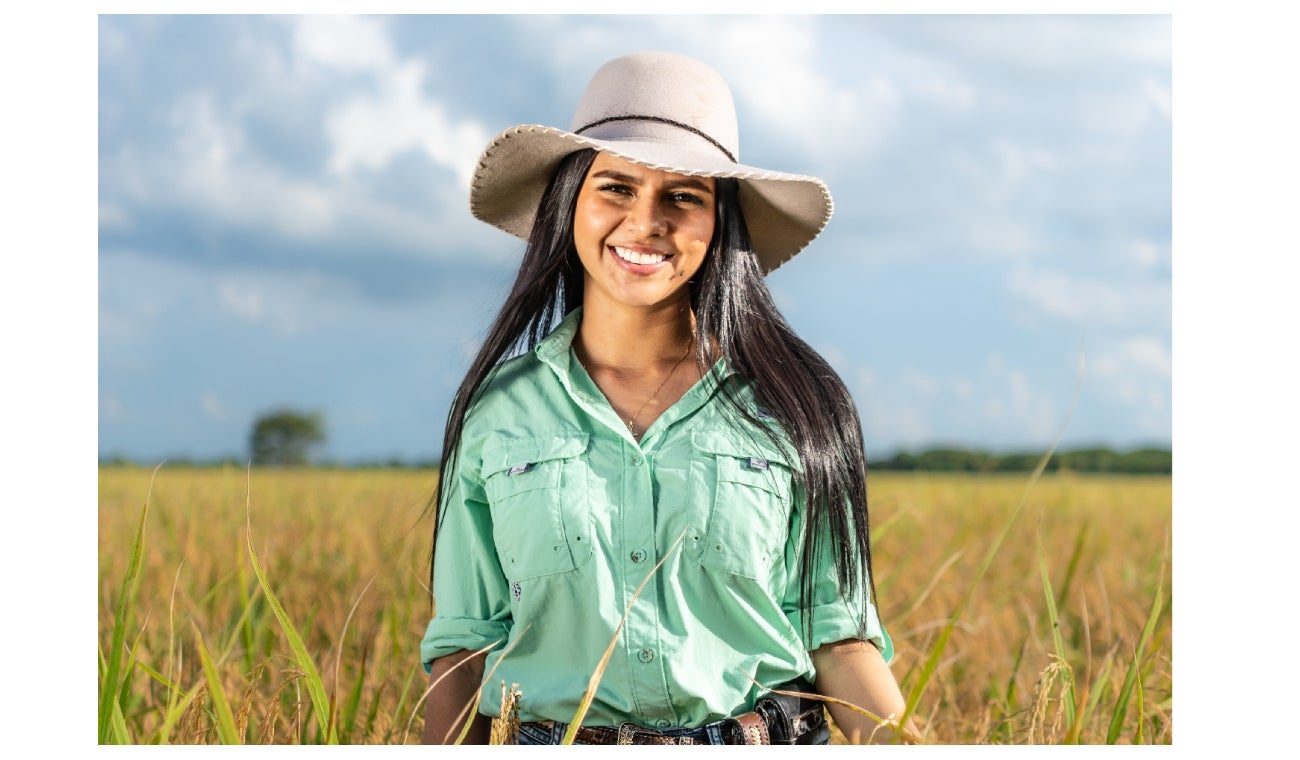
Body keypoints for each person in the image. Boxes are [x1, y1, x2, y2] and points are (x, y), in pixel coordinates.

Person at [419, 51, 913, 746]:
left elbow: (839, 635)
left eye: (683, 196)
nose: (646, 221)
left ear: (720, 224)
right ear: (571, 206)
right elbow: (464, 643)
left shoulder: (797, 406)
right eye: (615, 188)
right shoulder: (501, 410)